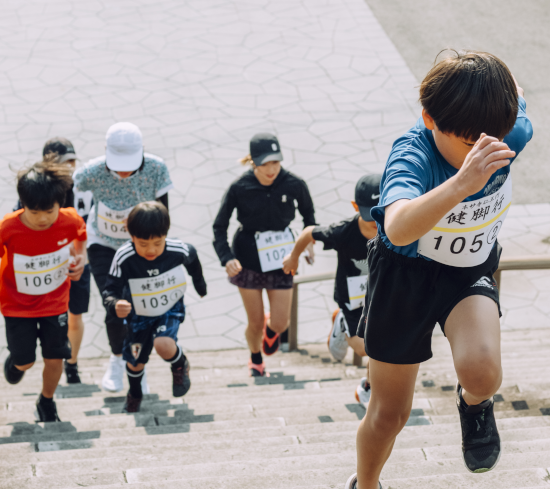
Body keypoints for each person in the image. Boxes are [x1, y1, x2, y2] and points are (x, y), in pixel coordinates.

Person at [346, 50, 533, 489]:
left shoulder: (509, 130)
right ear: (430, 119)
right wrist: (462, 184)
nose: (482, 150)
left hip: (466, 267)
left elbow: (515, 94)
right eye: (469, 142)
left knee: (483, 372)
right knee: (391, 414)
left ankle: (474, 405)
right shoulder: (413, 154)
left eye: (493, 138)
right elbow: (398, 226)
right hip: (404, 276)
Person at [73, 122, 174, 393]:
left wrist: (160, 252)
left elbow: (163, 214)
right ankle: (117, 359)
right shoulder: (91, 171)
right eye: (118, 164)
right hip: (103, 244)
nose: (124, 171)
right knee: (116, 304)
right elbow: (72, 194)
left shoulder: (156, 168)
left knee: (140, 307)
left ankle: (137, 365)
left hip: (142, 247)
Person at [0, 158, 86, 423]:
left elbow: (81, 235)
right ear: (23, 204)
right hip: (17, 306)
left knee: (55, 358)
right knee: (25, 362)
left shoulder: (70, 219)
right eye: (34, 212)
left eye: (49, 211)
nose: (42, 219)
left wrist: (80, 259)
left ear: (60, 203)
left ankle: (47, 401)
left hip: (55, 303)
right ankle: (17, 363)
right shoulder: (8, 227)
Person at [212, 133, 316, 377]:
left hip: (282, 258)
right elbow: (219, 226)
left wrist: (309, 241)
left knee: (280, 323)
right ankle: (255, 358)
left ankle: (271, 330)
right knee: (255, 322)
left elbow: (309, 217)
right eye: (265, 164)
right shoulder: (240, 187)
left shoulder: (295, 184)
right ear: (253, 162)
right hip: (247, 259)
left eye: (276, 162)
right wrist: (227, 258)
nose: (271, 170)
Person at [284, 173, 380, 405]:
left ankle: (368, 387)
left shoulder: (394, 225)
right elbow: (309, 232)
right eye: (369, 214)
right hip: (353, 299)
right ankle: (342, 321)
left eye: (381, 212)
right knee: (364, 349)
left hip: (381, 295)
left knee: (382, 344)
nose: (376, 221)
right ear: (355, 206)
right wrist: (294, 257)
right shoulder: (343, 231)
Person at [102, 202, 206, 413]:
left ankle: (179, 364)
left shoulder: (178, 250)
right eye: (143, 244)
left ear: (166, 234)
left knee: (164, 345)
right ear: (131, 236)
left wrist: (200, 284)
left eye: (158, 243)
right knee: (134, 362)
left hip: (169, 308)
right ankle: (135, 394)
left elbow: (193, 258)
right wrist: (114, 304)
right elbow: (110, 290)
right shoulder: (124, 256)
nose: (151, 250)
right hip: (138, 314)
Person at [15, 138, 93, 385]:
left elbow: (89, 226)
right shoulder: (37, 189)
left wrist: (82, 256)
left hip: (76, 262)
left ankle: (72, 363)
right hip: (45, 265)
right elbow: (19, 224)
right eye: (62, 162)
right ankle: (25, 356)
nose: (68, 167)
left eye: (72, 161)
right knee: (46, 317)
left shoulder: (85, 186)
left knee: (75, 315)